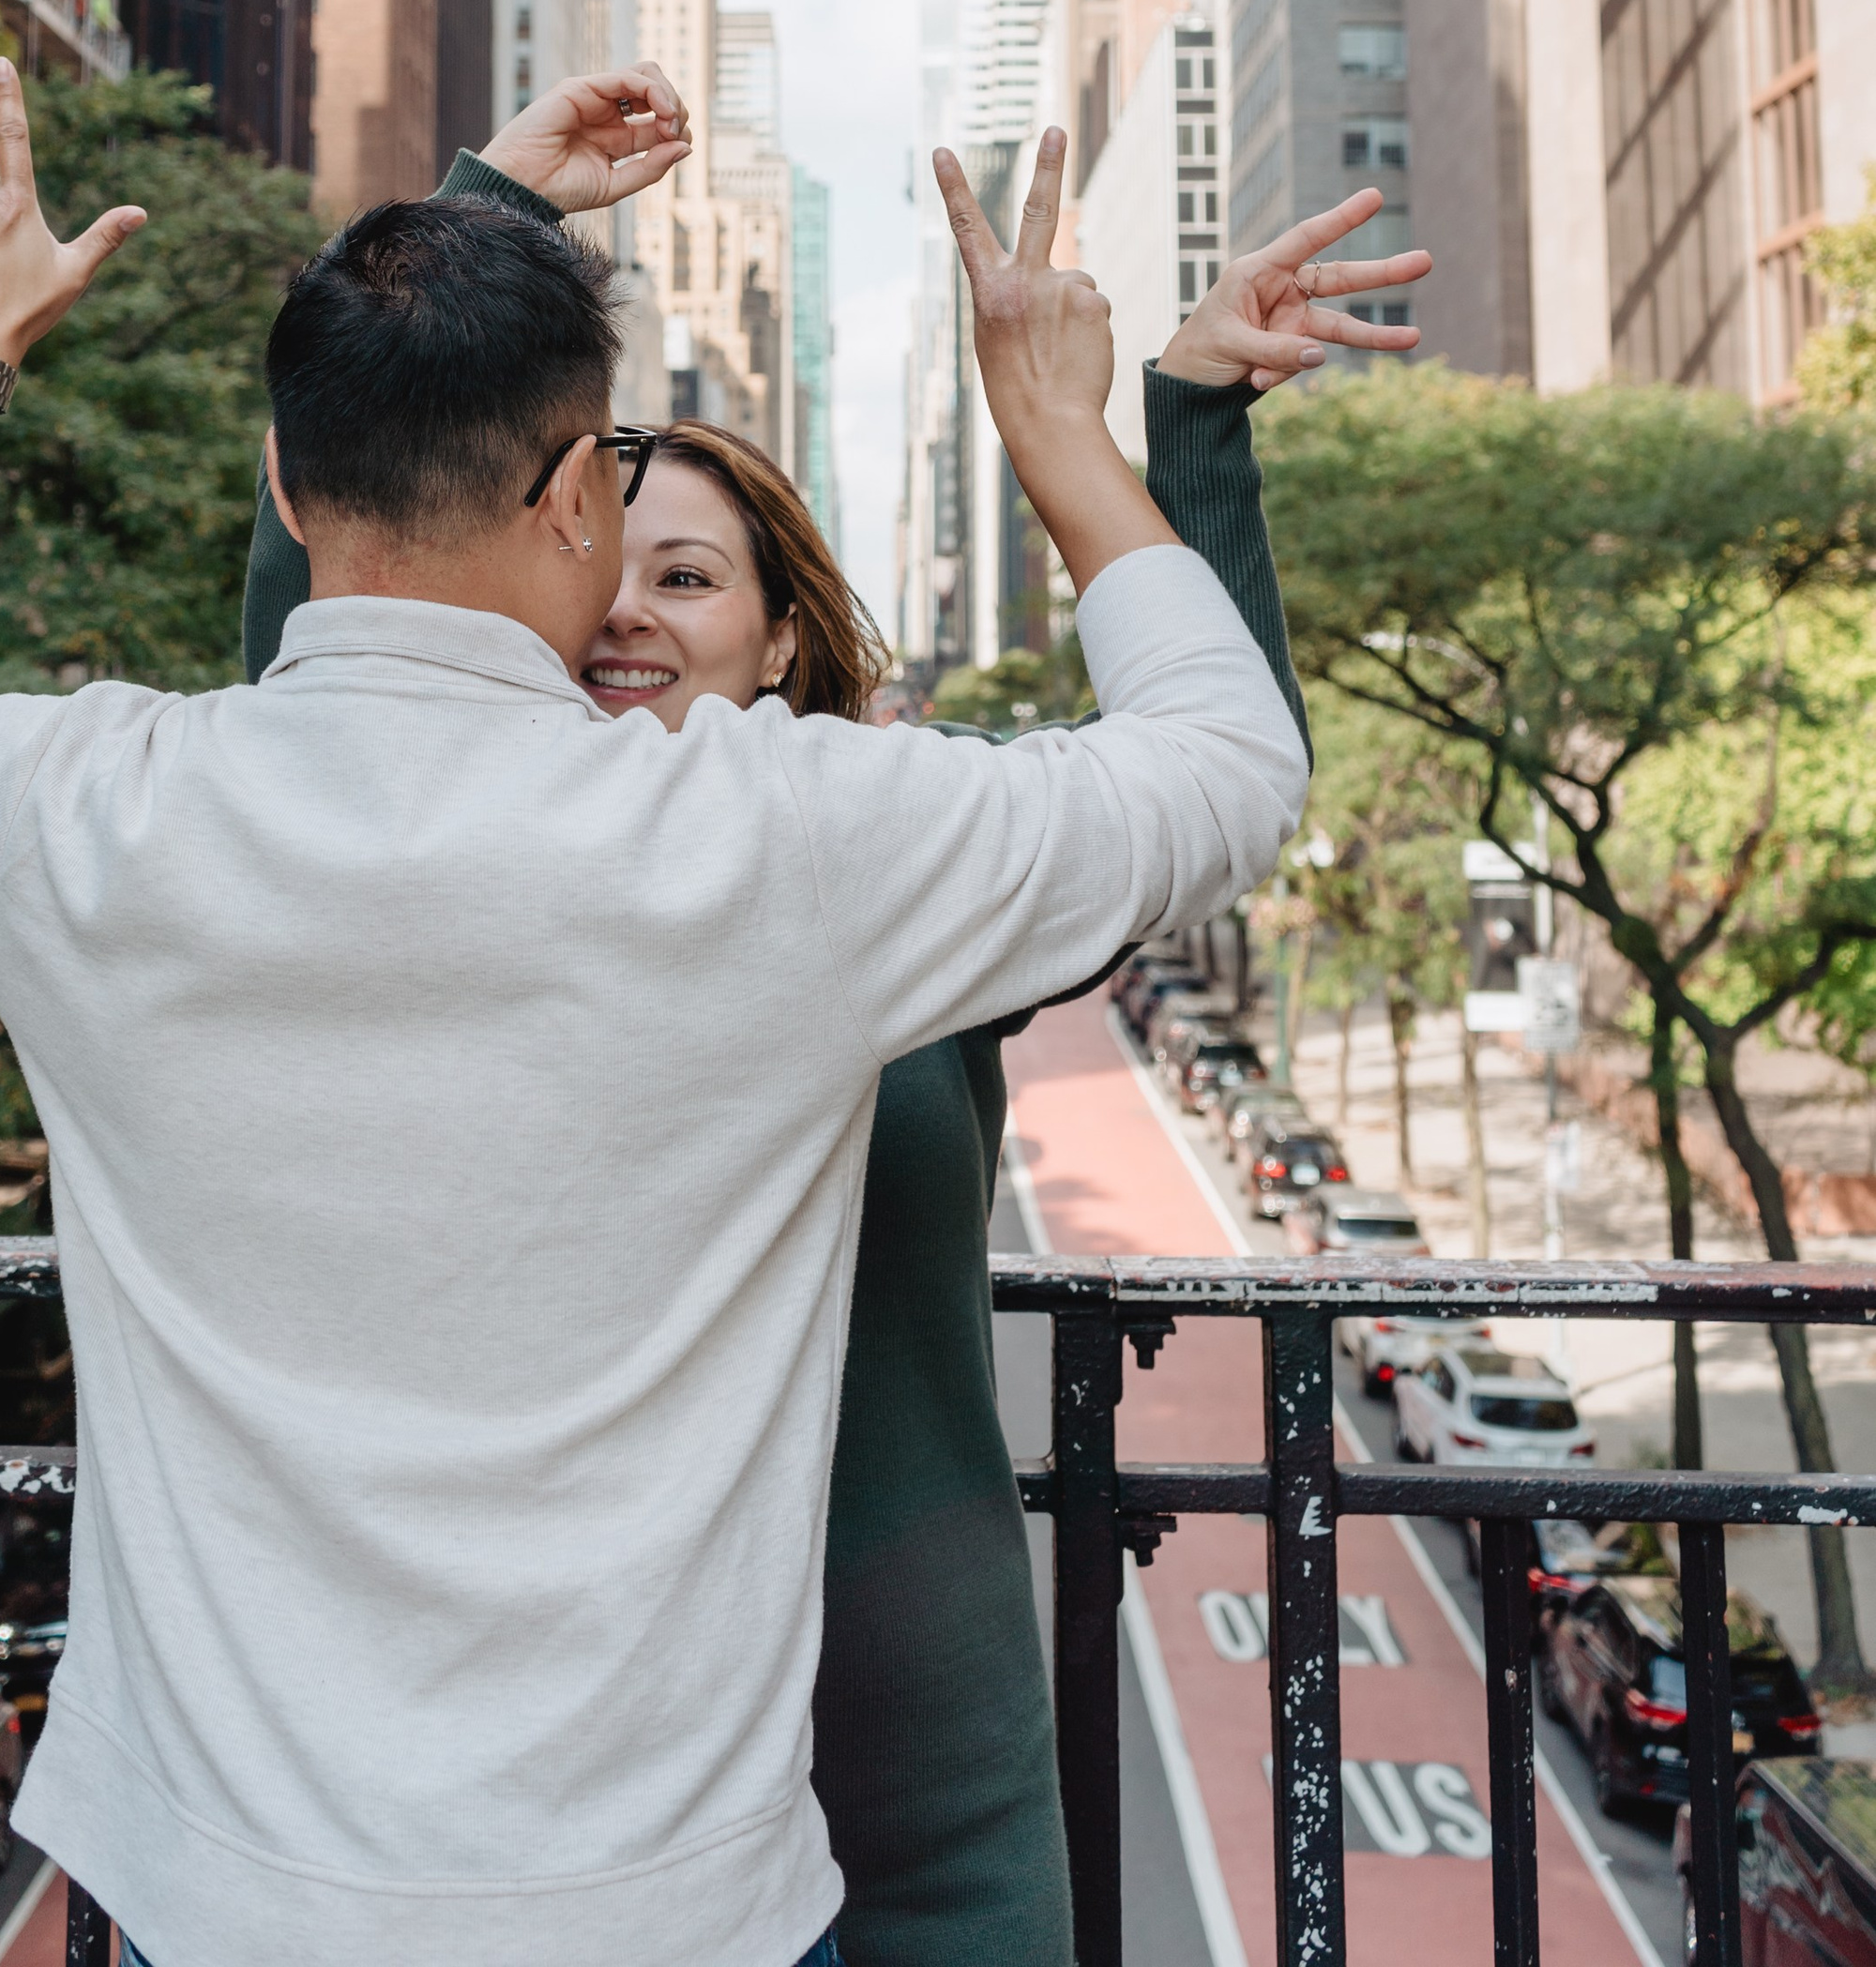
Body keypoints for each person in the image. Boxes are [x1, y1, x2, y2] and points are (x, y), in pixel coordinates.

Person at [0, 58, 1309, 1967]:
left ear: (291, 493)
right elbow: (1220, 765)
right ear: (575, 493)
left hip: (215, 1898)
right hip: (664, 1914)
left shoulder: (94, 816)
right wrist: (1058, 423)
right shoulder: (786, 845)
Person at [241, 125, 1427, 1967]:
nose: (624, 603)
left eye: (690, 577)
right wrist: (482, 223)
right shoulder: (421, 859)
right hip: (550, 1777)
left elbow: (1206, 775)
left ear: (788, 640)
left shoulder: (890, 876)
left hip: (907, 1766)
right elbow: (323, 597)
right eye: (594, 553)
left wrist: (1180, 419)